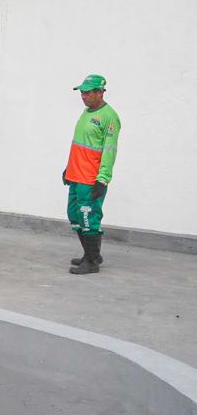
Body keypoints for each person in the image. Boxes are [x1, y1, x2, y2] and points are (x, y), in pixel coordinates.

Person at [64, 74, 121, 275]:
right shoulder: (86, 112)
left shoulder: (109, 117)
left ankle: (92, 262)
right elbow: (80, 144)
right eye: (82, 92)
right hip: (75, 175)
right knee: (74, 215)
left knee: (88, 218)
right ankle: (91, 254)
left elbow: (109, 150)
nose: (83, 96)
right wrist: (68, 168)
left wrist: (102, 179)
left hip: (90, 179)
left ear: (100, 92)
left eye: (88, 92)